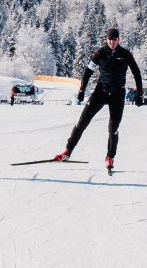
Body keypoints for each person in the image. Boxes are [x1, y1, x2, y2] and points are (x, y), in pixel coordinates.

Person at [57, 25, 141, 173]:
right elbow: (88, 71)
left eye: (114, 40)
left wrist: (139, 93)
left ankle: (110, 157)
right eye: (109, 39)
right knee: (83, 121)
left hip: (118, 94)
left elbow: (136, 73)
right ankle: (68, 151)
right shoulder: (100, 53)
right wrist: (82, 89)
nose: (112, 42)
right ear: (106, 39)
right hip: (101, 91)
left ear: (118, 39)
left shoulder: (126, 54)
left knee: (113, 128)